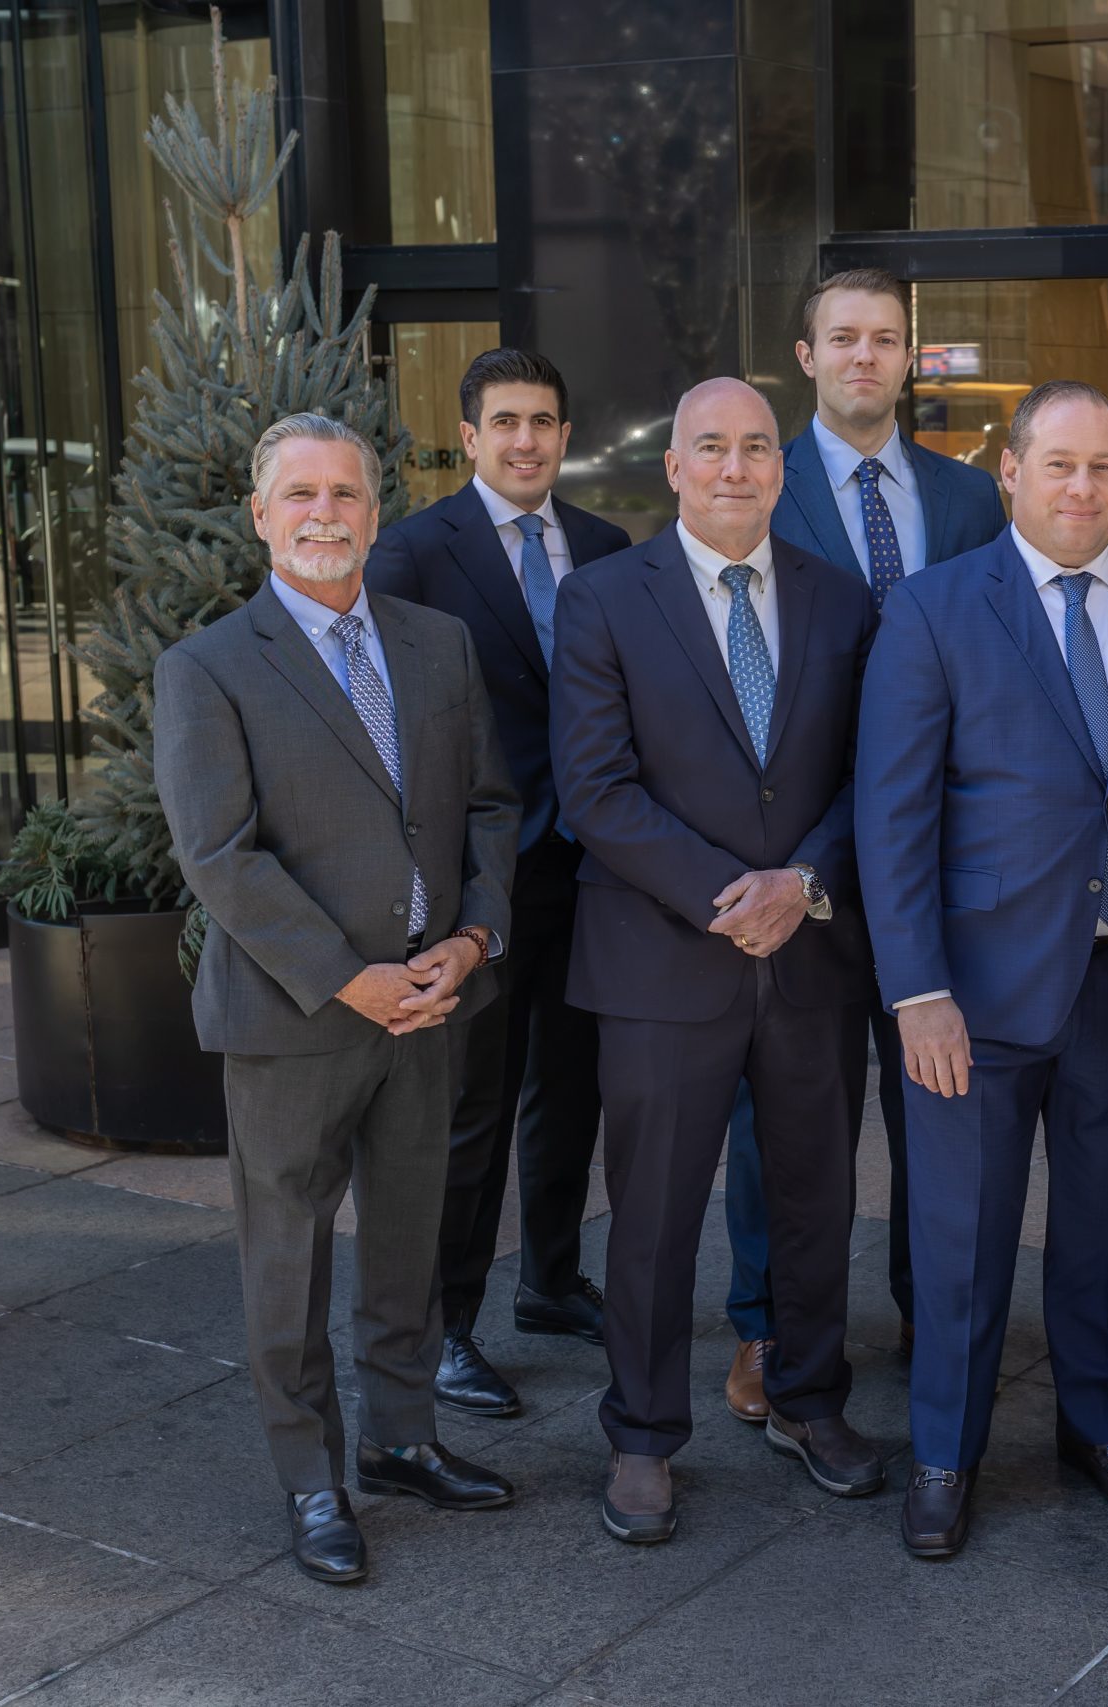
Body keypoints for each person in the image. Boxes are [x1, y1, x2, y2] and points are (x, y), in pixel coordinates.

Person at [857, 381, 1108, 1559]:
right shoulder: (933, 608)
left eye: (1103, 469)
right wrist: (916, 990)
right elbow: (892, 814)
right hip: (971, 994)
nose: (1081, 489)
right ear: (1008, 471)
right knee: (961, 1238)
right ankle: (943, 1453)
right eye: (1058, 466)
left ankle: (1099, 1424)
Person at [155, 412, 520, 1584]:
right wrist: (345, 977)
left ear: (376, 510)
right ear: (261, 516)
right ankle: (312, 1478)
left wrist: (469, 942)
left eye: (347, 494)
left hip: (429, 999)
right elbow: (221, 856)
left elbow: (490, 811)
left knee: (410, 1240)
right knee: (288, 1259)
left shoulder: (436, 643)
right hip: (299, 1015)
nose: (325, 513)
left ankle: (406, 1438)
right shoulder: (207, 667)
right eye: (300, 494)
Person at [549, 377, 883, 1544]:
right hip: (659, 959)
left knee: (814, 1197)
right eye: (711, 448)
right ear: (674, 468)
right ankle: (642, 1434)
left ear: (780, 469)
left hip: (811, 956)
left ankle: (807, 1400)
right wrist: (722, 896)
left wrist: (804, 885)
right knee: (651, 1215)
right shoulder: (600, 600)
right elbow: (593, 788)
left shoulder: (844, 604)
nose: (735, 467)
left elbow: (869, 781)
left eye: (755, 448)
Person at [714, 269, 1011, 1425]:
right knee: (784, 1111)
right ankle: (767, 1320)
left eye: (885, 339)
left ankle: (928, 1308)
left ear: (908, 358)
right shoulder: (759, 489)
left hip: (950, 856)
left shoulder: (969, 499)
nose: (863, 357)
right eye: (842, 337)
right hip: (805, 854)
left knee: (939, 1106)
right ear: (805, 355)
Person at [366, 349, 631, 1418]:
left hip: (592, 876)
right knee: (471, 1109)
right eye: (505, 421)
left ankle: (553, 1281)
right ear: (469, 437)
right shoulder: (413, 554)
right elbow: (385, 729)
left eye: (545, 422)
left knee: (572, 1092)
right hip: (478, 883)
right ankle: (445, 1328)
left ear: (566, 438)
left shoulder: (609, 549)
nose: (526, 440)